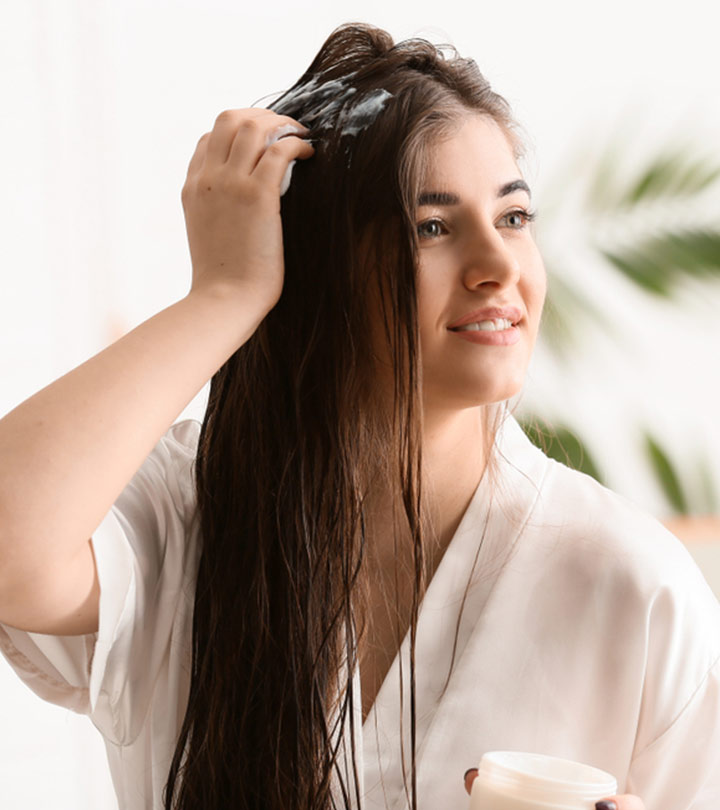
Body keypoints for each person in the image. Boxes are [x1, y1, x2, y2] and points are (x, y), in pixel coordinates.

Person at [0, 21, 718, 810]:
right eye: (432, 228)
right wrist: (223, 295)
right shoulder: (185, 513)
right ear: (311, 268)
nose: (498, 267)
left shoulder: (632, 585)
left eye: (513, 218)